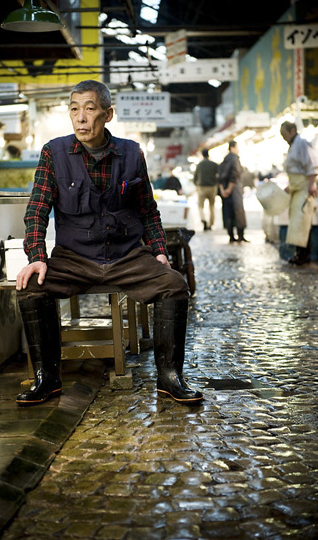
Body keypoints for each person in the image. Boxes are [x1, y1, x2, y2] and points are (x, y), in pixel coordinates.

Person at [15, 80, 203, 408]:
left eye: (89, 109)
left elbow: (147, 210)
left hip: (126, 256)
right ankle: (47, 378)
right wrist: (37, 256)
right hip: (74, 258)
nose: (80, 118)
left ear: (108, 114)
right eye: (74, 109)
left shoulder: (131, 154)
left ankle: (169, 378)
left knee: (174, 285)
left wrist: (159, 251)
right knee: (31, 286)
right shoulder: (54, 153)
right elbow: (37, 209)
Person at [280, 121, 318, 265]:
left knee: (302, 222)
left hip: (303, 189)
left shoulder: (302, 143)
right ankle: (299, 253)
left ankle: (304, 255)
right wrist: (290, 186)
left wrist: (311, 184)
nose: (284, 138)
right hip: (296, 189)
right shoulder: (293, 146)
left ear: (292, 131)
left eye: (284, 134)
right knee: (296, 223)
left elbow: (311, 165)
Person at [218, 140, 248, 243]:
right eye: (237, 147)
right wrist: (229, 189)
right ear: (232, 147)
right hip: (234, 190)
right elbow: (234, 175)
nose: (238, 149)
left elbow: (220, 177)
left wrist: (223, 190)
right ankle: (240, 236)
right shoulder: (235, 159)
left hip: (225, 190)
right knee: (238, 211)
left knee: (228, 213)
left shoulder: (224, 159)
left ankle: (231, 236)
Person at [193, 148, 218, 230]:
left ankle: (203, 219)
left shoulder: (199, 165)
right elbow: (218, 175)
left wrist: (196, 184)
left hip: (202, 187)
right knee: (212, 206)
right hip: (212, 187)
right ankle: (211, 224)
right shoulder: (214, 164)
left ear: (202, 155)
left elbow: (195, 177)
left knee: (200, 206)